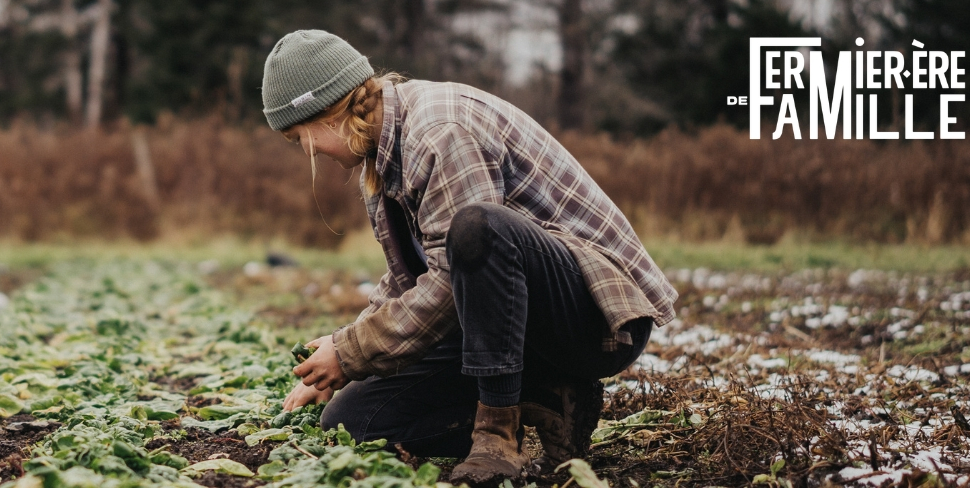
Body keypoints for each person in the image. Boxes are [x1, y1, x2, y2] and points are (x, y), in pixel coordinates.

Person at [262, 30, 677, 484]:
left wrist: (352, 351)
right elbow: (408, 281)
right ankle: (547, 393)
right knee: (356, 421)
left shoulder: (441, 130)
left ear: (332, 110)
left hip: (592, 320)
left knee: (477, 226)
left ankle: (498, 431)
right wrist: (343, 352)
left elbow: (459, 264)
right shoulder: (381, 160)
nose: (309, 151)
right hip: (503, 321)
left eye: (301, 135)